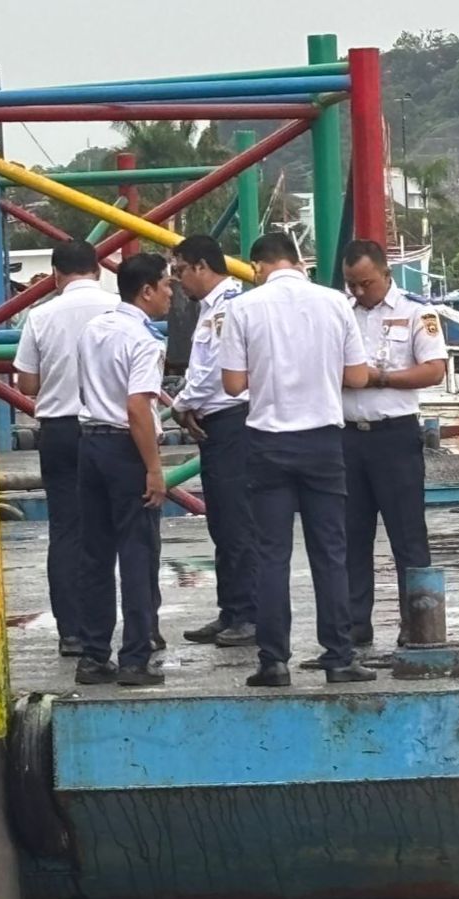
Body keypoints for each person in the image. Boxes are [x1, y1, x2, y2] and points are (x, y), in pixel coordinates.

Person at [218, 232, 376, 687]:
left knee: (271, 555)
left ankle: (274, 662)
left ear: (258, 266)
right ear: (299, 261)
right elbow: (357, 376)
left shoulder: (243, 308)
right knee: (330, 552)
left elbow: (231, 385)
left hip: (267, 441)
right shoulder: (334, 304)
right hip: (324, 441)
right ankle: (339, 657)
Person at [13, 239, 117, 657]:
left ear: (56, 274)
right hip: (111, 430)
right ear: (96, 269)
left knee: (67, 532)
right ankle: (125, 625)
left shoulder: (40, 316)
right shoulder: (117, 309)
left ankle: (71, 631)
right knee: (120, 529)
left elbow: (27, 385)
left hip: (59, 430)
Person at [340, 240, 447, 646]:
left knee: (407, 535)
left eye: (366, 282)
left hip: (394, 435)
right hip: (348, 436)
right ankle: (354, 626)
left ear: (386, 274)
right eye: (352, 284)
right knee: (351, 536)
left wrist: (379, 378)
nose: (359, 292)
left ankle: (416, 624)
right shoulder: (341, 314)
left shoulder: (417, 313)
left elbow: (434, 370)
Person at [73, 253, 171, 687]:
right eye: (166, 285)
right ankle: (136, 656)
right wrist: (153, 468)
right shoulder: (145, 340)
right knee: (137, 554)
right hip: (125, 449)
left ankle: (93, 654)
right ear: (146, 290)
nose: (171, 293)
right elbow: (136, 407)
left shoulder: (95, 329)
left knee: (94, 554)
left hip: (89, 442)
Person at [170, 235, 258, 648]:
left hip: (231, 421)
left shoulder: (229, 308)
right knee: (221, 521)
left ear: (202, 265)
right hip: (214, 421)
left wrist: (181, 404)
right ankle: (232, 609)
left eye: (181, 270)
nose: (179, 281)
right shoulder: (208, 311)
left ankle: (247, 613)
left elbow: (214, 371)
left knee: (237, 521)